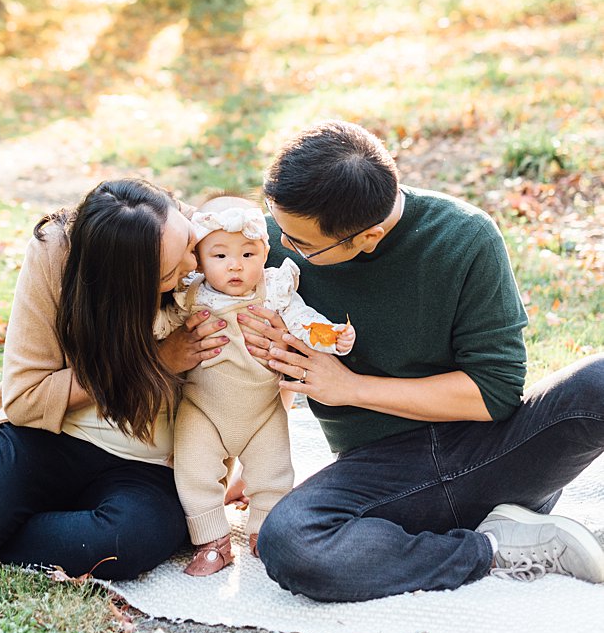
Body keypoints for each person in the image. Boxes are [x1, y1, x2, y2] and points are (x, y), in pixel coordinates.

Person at [243, 121, 604, 601]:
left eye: (302, 245)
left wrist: (350, 388)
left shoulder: (464, 237)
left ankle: (505, 513)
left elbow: (494, 392)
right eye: (276, 223)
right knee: (292, 543)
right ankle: (497, 546)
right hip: (382, 473)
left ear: (369, 237)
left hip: (493, 451)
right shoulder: (277, 238)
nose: (283, 245)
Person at [0, 179, 229, 580]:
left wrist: (231, 463)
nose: (194, 266)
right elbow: (25, 396)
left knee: (125, 545)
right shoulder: (57, 254)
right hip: (54, 437)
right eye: (169, 274)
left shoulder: (215, 242)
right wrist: (153, 360)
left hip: (152, 462)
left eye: (189, 243)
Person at [171, 194, 352, 576]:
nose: (235, 266)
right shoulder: (190, 296)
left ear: (264, 252)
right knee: (193, 469)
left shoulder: (274, 291)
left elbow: (304, 322)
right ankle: (213, 542)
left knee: (274, 472)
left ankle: (263, 530)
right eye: (220, 256)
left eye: (248, 255)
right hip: (203, 408)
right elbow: (160, 328)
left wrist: (330, 336)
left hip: (263, 410)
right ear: (200, 259)